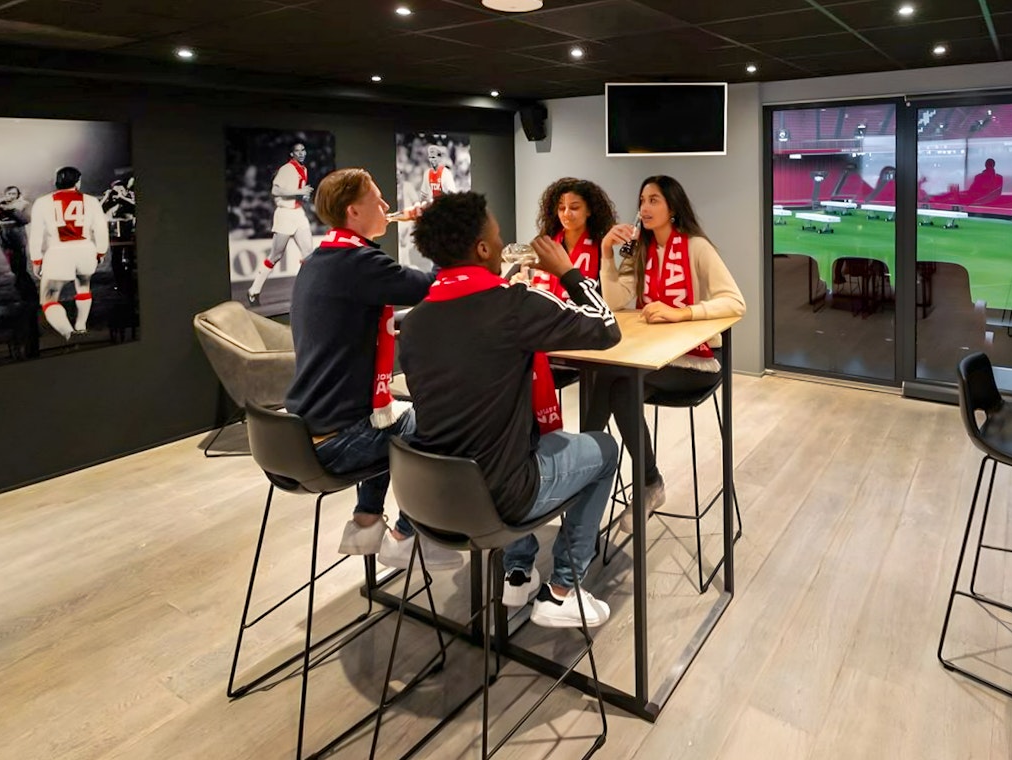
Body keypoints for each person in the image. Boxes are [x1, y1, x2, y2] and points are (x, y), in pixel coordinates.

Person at [401, 191, 621, 627]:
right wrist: (569, 272)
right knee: (604, 448)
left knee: (540, 441)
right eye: (497, 237)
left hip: (429, 497)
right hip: (500, 498)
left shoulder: (415, 320)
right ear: (482, 250)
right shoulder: (513, 304)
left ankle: (517, 573)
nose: (503, 245)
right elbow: (605, 328)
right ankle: (564, 588)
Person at [284, 167, 461, 571]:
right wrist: (435, 228)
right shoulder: (357, 262)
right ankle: (409, 535)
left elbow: (352, 320)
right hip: (335, 440)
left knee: (393, 413)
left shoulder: (321, 258)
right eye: (378, 200)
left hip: (300, 431)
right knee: (438, 424)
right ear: (353, 211)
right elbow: (432, 284)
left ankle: (365, 521)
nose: (386, 206)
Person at [587, 175, 746, 533]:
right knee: (610, 379)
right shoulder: (638, 250)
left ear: (673, 208)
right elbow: (614, 301)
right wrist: (606, 257)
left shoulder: (697, 248)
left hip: (697, 362)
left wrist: (683, 312)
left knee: (617, 380)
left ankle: (606, 476)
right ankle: (612, 475)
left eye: (654, 200)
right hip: (652, 355)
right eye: (642, 199)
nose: (644, 207)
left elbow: (735, 302)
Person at [29, 167, 109, 340]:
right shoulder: (91, 201)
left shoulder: (43, 202)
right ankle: (81, 326)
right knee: (83, 286)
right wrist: (101, 251)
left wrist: (36, 259)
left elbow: (36, 234)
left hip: (59, 252)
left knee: (49, 299)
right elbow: (101, 229)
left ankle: (69, 333)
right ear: (78, 181)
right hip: (85, 250)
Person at [247, 143, 314, 306]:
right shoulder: (286, 169)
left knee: (309, 255)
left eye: (303, 150)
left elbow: (296, 192)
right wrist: (299, 192)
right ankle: (254, 290)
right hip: (284, 214)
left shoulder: (304, 169)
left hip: (298, 213)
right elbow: (275, 191)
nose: (301, 153)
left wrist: (303, 196)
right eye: (297, 151)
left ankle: (304, 292)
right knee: (276, 255)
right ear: (292, 154)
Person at [527, 177, 617, 298]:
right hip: (545, 312)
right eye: (561, 208)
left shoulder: (600, 245)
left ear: (589, 210)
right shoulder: (547, 242)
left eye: (574, 208)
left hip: (584, 314)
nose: (566, 214)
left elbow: (608, 293)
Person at [0, 186, 34, 300]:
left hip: (18, 239)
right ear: (4, 194)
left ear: (18, 195)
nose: (11, 196)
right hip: (4, 240)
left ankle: (29, 292)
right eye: (9, 194)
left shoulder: (23, 204)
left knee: (21, 267)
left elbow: (25, 220)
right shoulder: (1, 205)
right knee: (14, 267)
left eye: (14, 194)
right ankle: (22, 288)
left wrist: (11, 210)